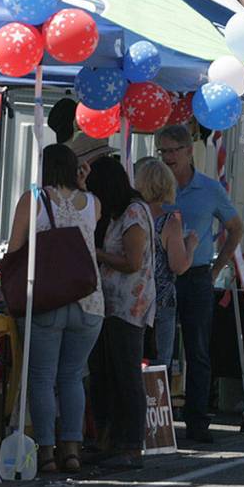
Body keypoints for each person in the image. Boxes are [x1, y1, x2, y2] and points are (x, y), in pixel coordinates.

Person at [6, 143, 103, 473]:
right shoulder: (93, 202)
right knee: (73, 377)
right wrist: (83, 185)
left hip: (46, 298)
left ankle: (45, 451)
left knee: (42, 378)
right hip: (89, 300)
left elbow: (15, 248)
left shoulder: (33, 199)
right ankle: (72, 450)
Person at [155, 124, 243, 443]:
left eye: (172, 151)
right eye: (162, 151)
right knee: (158, 350)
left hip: (196, 276)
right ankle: (157, 421)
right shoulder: (155, 187)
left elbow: (235, 227)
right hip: (160, 274)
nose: (167, 157)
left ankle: (196, 421)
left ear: (189, 151)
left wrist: (217, 267)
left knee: (198, 349)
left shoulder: (208, 189)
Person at [85, 157, 155, 469]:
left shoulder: (134, 213)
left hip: (129, 305)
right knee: (105, 373)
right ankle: (108, 438)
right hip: (108, 303)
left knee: (127, 374)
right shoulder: (116, 214)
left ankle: (132, 444)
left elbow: (133, 261)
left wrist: (96, 253)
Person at [135, 159, 197, 371]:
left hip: (133, 296)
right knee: (158, 364)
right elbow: (178, 265)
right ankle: (155, 402)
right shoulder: (169, 222)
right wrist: (191, 246)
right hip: (160, 299)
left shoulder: (133, 214)